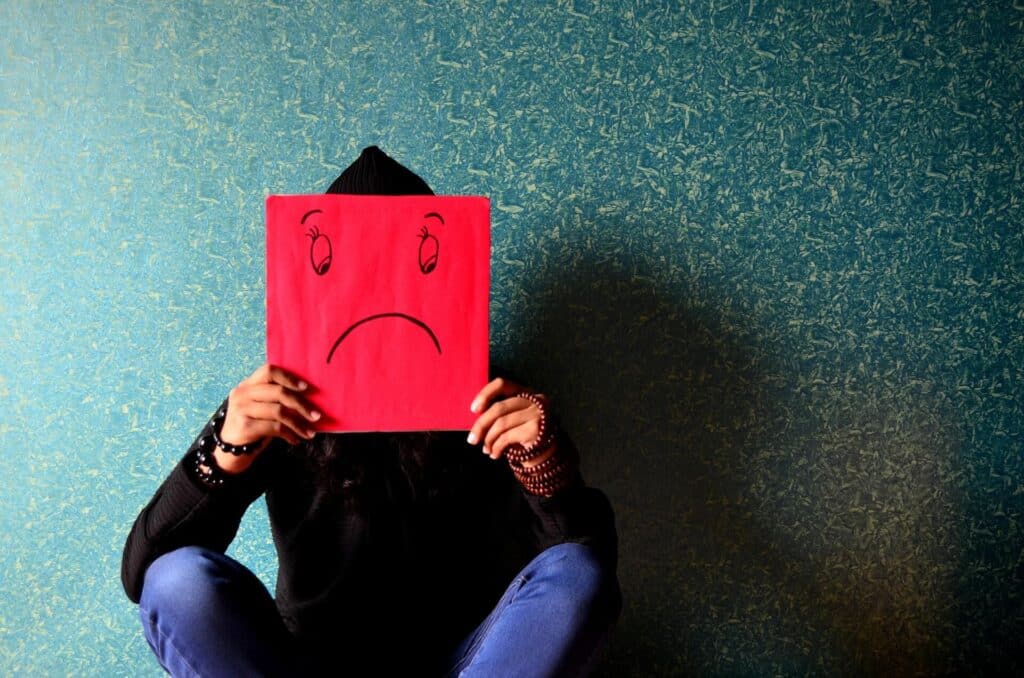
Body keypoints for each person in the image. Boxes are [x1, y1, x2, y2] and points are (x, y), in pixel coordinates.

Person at [120, 146, 622, 677]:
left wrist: (544, 465)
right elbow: (145, 575)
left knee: (577, 573)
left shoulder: (491, 401)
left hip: (464, 663)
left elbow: (583, 581)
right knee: (177, 581)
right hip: (306, 667)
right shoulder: (281, 401)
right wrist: (225, 448)